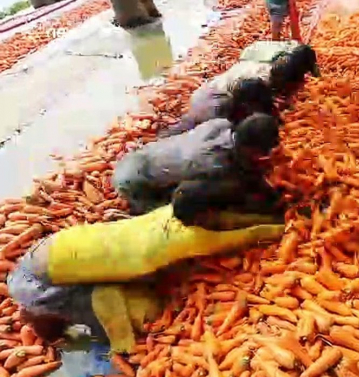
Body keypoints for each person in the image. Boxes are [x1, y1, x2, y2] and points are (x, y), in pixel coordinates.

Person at [7, 200, 287, 353]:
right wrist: (281, 229)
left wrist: (270, 218)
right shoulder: (187, 239)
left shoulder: (170, 211)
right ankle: (107, 340)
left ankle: (42, 312)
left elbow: (233, 227)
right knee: (123, 308)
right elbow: (242, 238)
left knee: (123, 277)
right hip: (38, 282)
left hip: (52, 251)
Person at [113, 113, 281, 215]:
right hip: (133, 180)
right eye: (262, 153)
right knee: (181, 210)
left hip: (141, 156)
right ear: (250, 149)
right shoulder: (214, 164)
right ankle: (141, 208)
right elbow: (187, 194)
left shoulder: (221, 124)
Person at [162, 44, 319, 136]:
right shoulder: (258, 81)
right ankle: (166, 138)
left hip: (224, 92)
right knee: (217, 133)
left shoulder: (276, 65)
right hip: (210, 100)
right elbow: (261, 111)